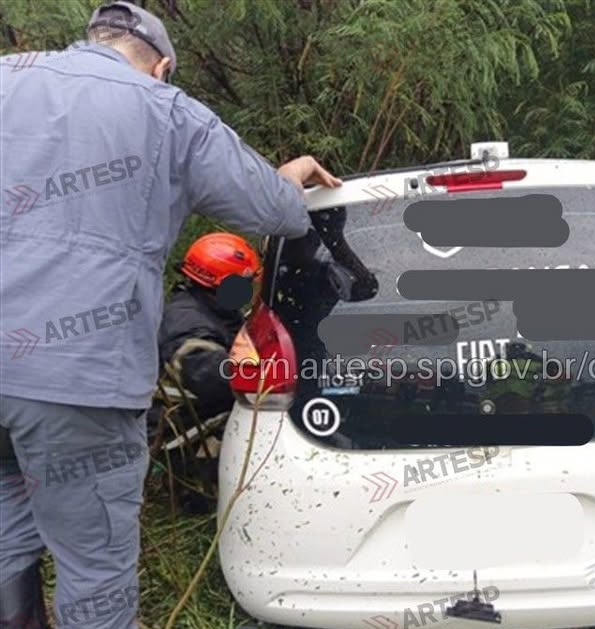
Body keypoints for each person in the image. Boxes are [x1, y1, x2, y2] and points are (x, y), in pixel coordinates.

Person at [0, 2, 340, 628]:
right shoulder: (168, 111)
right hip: (75, 377)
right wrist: (284, 177)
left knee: (5, 526)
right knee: (93, 567)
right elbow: (279, 214)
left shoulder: (8, 77)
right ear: (161, 67)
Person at [151, 233, 260, 513]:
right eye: (244, 283)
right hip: (177, 442)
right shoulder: (187, 326)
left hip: (193, 420)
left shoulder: (212, 310)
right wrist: (278, 373)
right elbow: (219, 378)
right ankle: (196, 496)